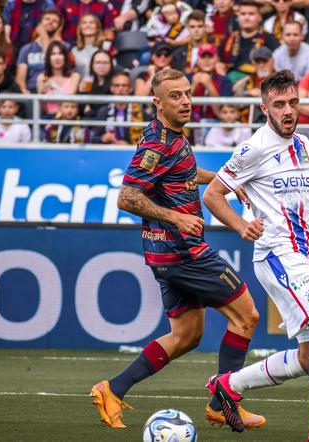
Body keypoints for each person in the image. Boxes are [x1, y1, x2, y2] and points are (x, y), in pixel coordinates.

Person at [90, 68, 265, 431]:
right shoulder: (156, 144)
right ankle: (223, 402)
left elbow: (183, 171)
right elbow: (127, 196)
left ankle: (112, 388)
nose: (185, 101)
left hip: (165, 255)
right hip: (183, 252)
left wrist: (223, 180)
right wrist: (176, 217)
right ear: (158, 102)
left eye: (187, 93)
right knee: (246, 316)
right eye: (175, 96)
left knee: (186, 336)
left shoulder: (173, 137)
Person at [202, 69, 309, 442]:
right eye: (279, 104)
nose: (288, 110)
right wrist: (241, 227)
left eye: (293, 102)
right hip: (278, 253)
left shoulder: (304, 145)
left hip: (303, 255)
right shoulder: (255, 148)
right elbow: (212, 194)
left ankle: (227, 385)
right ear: (264, 108)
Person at [218, 0, 279, 81]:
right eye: (243, 14)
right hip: (228, 82)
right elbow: (218, 59)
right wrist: (218, 66)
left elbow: (278, 65)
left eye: (251, 14)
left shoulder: (269, 40)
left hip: (256, 84)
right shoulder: (230, 38)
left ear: (259, 17)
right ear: (238, 17)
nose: (246, 17)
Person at [15, 9, 63, 94]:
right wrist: (26, 93)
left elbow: (51, 62)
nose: (50, 22)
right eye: (47, 19)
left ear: (59, 27)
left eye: (55, 21)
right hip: (31, 91)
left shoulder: (64, 47)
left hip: (56, 90)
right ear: (40, 23)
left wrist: (43, 35)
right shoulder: (26, 49)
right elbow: (20, 80)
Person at [92, 72, 148, 145]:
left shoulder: (140, 111)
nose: (120, 88)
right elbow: (94, 139)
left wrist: (128, 144)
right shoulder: (104, 111)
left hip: (132, 152)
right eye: (117, 85)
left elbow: (148, 138)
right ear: (111, 88)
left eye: (124, 85)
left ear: (130, 89)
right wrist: (103, 138)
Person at [36, 40, 81, 117]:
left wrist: (54, 88)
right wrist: (43, 94)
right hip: (48, 118)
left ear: (65, 57)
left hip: (68, 118)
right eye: (53, 54)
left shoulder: (75, 76)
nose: (57, 58)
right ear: (48, 58)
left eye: (60, 54)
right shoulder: (42, 78)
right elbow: (42, 109)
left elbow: (69, 101)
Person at [72, 13, 109, 80]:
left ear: (97, 28)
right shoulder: (74, 51)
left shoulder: (106, 47)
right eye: (84, 23)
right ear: (80, 28)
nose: (88, 25)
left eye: (91, 23)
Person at [79, 49, 115, 117]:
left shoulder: (116, 81)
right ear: (92, 65)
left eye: (105, 63)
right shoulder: (88, 81)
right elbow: (82, 107)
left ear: (111, 65)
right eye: (98, 62)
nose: (101, 66)